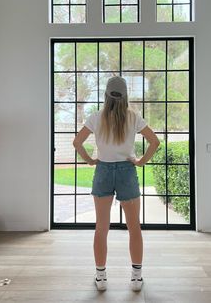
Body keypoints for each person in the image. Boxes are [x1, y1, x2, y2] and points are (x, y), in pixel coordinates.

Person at [73, 76, 160, 292]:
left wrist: (90, 160)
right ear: (125, 97)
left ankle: (101, 278)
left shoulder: (96, 117)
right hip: (126, 171)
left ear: (106, 95)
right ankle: (136, 278)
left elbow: (76, 142)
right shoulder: (134, 117)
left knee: (101, 228)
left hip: (102, 170)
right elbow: (155, 141)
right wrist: (141, 161)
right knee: (134, 227)